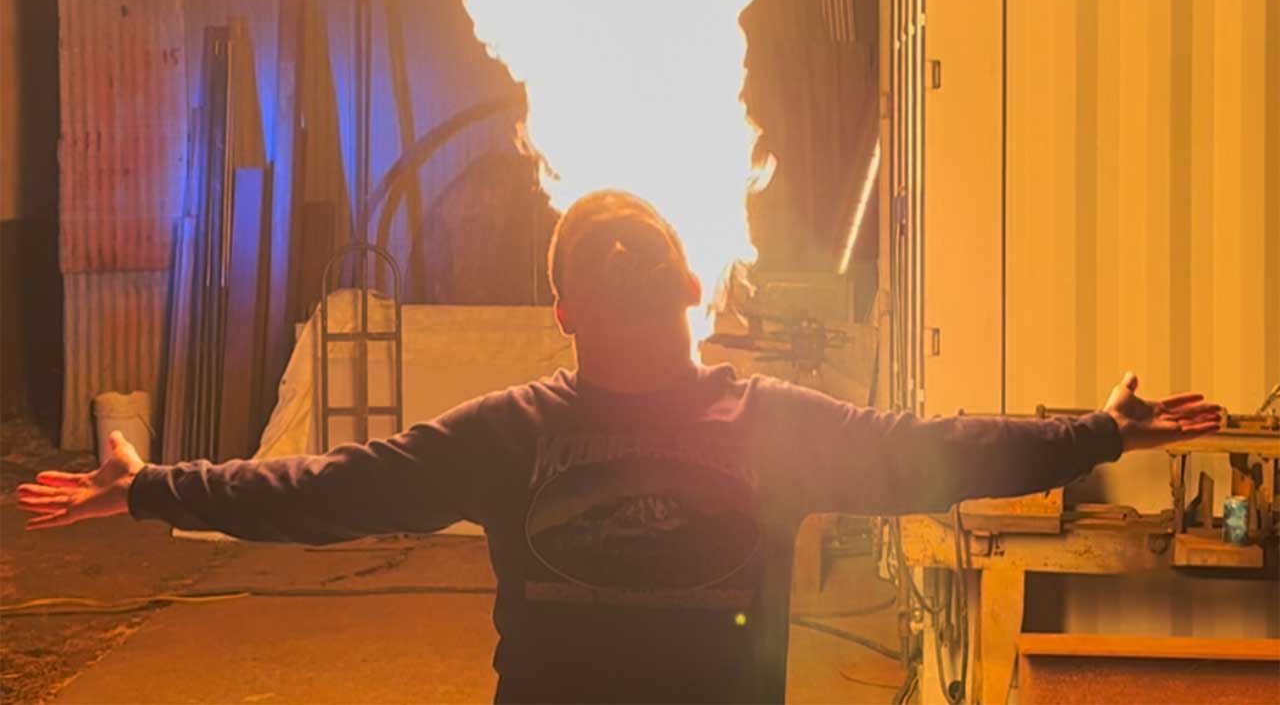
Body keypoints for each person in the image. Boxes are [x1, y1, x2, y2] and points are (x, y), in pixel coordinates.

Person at [19, 189, 1221, 704]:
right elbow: (933, 453)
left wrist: (156, 488)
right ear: (691, 289)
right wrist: (1092, 435)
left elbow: (332, 490)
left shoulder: (511, 433)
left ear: (559, 313)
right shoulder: (772, 425)